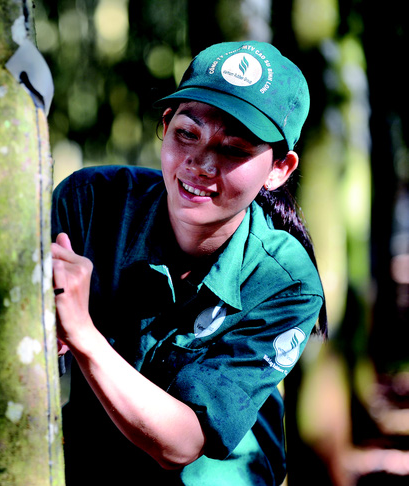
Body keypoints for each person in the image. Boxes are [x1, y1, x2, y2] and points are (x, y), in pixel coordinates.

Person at [50, 40, 327, 485]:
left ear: (279, 169)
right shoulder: (90, 204)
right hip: (94, 457)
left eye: (235, 149)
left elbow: (183, 444)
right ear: (166, 124)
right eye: (186, 134)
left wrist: (82, 332)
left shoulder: (286, 282)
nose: (200, 164)